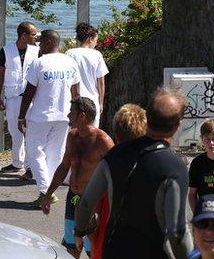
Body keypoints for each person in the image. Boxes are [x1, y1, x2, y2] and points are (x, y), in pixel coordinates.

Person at [74, 87, 193, 259]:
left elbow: (86, 203)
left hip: (114, 251)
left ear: (148, 117)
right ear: (177, 126)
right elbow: (177, 231)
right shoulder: (174, 166)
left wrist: (79, 231)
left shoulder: (115, 155)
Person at [41, 97, 114, 258]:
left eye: (71, 112)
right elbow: (64, 167)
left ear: (82, 116)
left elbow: (115, 175)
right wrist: (48, 194)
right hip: (73, 198)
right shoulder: (72, 136)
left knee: (93, 249)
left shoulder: (103, 142)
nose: (68, 115)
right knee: (71, 247)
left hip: (94, 202)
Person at [18, 29, 80, 206]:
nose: (40, 46)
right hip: (64, 115)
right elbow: (76, 93)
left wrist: (21, 117)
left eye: (42, 42)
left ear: (49, 42)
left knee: (34, 151)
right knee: (55, 154)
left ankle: (46, 191)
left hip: (41, 116)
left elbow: (29, 93)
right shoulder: (70, 62)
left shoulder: (39, 63)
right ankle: (48, 191)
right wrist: (75, 115)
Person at [87, 103, 147, 259]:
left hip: (107, 247)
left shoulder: (108, 166)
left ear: (117, 134)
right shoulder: (153, 167)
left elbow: (90, 211)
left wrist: (86, 235)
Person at [0, 21, 40, 175]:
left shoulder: (36, 51)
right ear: (23, 35)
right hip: (13, 96)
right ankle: (17, 162)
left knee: (29, 130)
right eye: (33, 34)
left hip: (31, 97)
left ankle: (29, 165)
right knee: (15, 130)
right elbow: (0, 74)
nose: (36, 37)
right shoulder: (6, 51)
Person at [65, 23, 109, 127]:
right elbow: (101, 81)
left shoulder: (69, 53)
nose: (96, 43)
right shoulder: (97, 55)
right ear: (90, 39)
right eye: (95, 40)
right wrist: (101, 102)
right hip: (92, 101)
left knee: (74, 134)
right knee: (92, 133)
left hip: (73, 101)